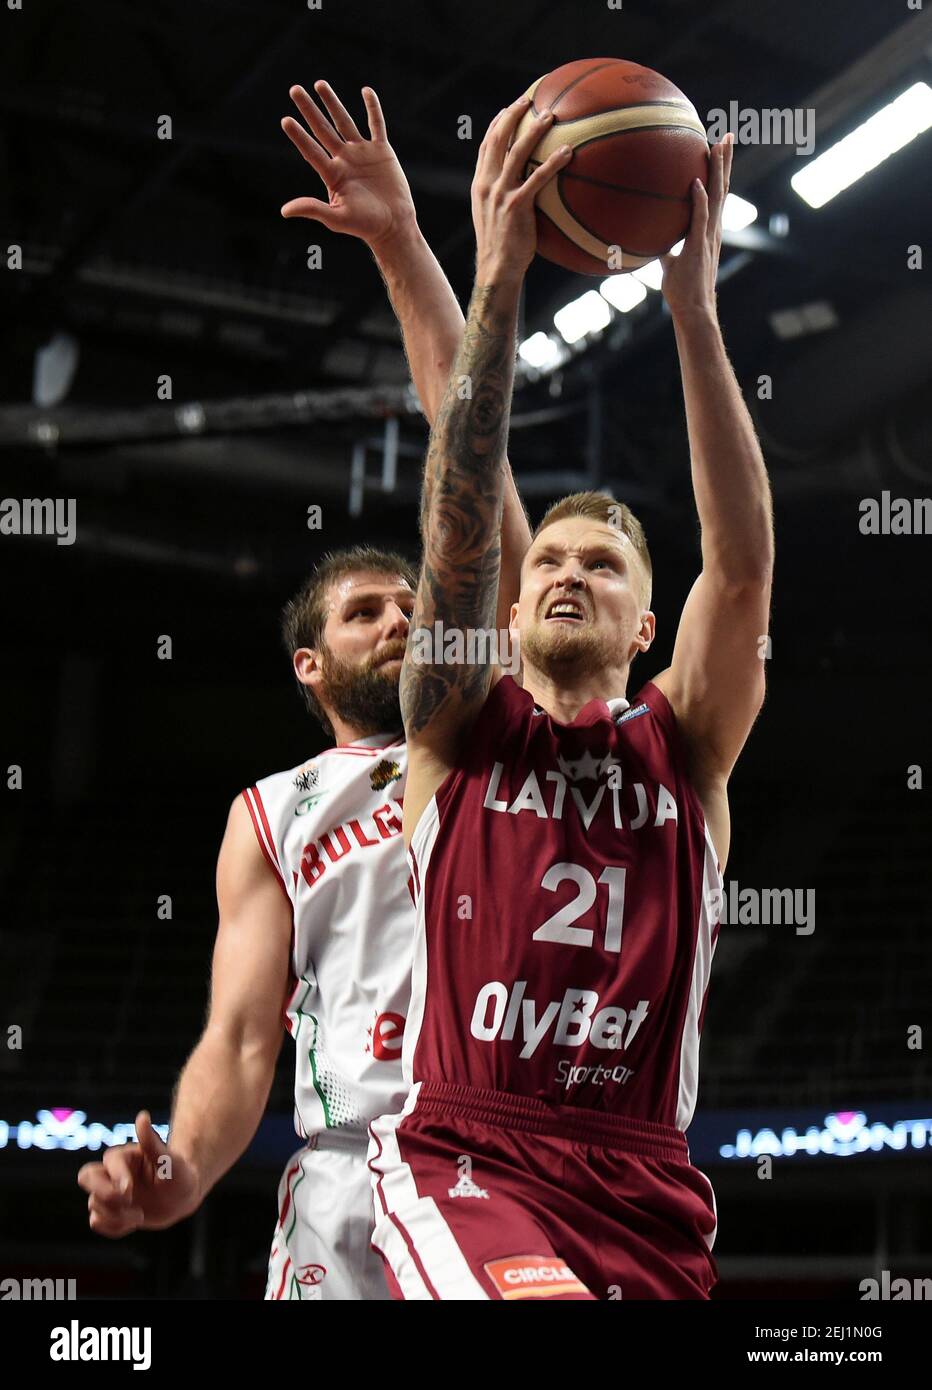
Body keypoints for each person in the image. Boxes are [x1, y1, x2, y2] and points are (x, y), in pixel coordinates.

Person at [76, 80, 532, 1301]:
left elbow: (468, 444)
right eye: (363, 611)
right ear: (308, 666)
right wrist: (177, 1170)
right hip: (347, 1176)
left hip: (513, 1161)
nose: (401, 618)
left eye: (410, 600)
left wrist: (400, 241)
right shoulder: (272, 812)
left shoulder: (490, 714)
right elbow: (238, 1038)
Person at [368, 99, 774, 1299]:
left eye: (600, 565)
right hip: (467, 1153)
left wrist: (693, 316)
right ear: (503, 605)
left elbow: (741, 565)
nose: (564, 572)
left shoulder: (685, 748)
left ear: (648, 629)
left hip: (644, 1183)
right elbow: (465, 474)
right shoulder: (460, 724)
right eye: (544, 558)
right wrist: (470, 268)